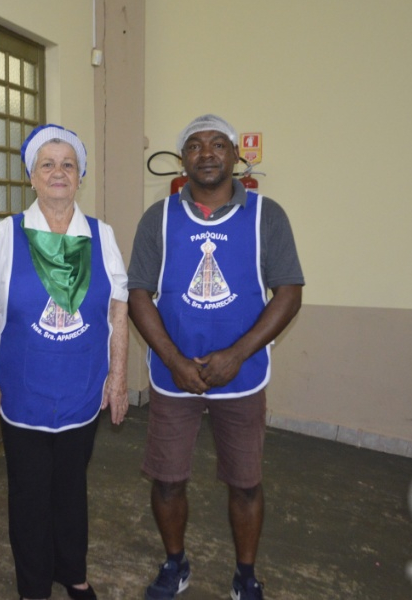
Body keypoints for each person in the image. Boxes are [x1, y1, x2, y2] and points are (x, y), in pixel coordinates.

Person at [127, 114, 304, 600]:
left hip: (241, 376)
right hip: (172, 376)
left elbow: (288, 292)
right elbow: (139, 293)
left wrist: (236, 355)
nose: (207, 153)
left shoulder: (267, 215)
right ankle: (175, 563)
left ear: (234, 155)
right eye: (195, 146)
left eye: (217, 144)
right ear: (182, 160)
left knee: (245, 483)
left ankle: (246, 575)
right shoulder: (158, 218)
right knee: (166, 478)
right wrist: (174, 359)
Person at [0, 124, 129, 600]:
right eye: (47, 165)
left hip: (82, 386)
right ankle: (34, 587)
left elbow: (119, 308)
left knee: (72, 488)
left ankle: (73, 573)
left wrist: (118, 378)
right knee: (30, 496)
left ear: (79, 177)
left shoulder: (101, 234)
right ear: (31, 178)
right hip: (23, 388)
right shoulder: (8, 234)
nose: (58, 173)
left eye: (68, 165)